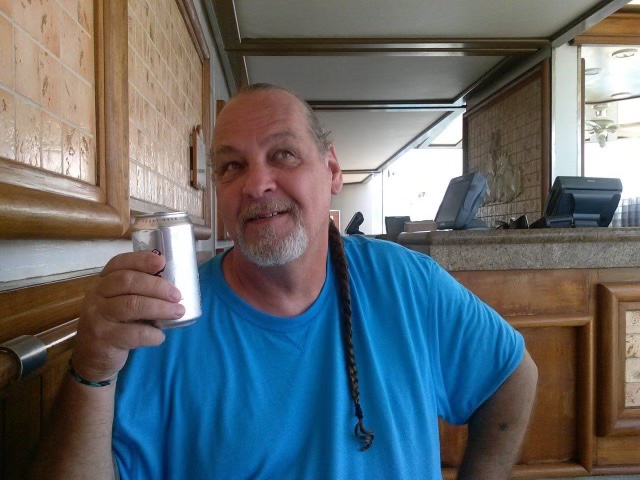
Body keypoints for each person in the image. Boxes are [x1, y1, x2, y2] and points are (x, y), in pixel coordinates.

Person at [28, 83, 537, 480]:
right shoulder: (162, 322)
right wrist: (92, 369)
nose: (256, 184)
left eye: (283, 155)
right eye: (232, 166)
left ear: (331, 170)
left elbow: (513, 376)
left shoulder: (409, 284)